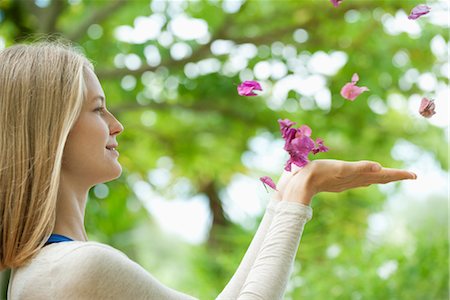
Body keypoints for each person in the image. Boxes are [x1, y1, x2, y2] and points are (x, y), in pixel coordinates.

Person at [0, 42, 416, 300]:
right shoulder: (78, 269)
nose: (116, 124)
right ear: (51, 130)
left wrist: (288, 193)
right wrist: (299, 193)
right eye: (97, 108)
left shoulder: (49, 269)